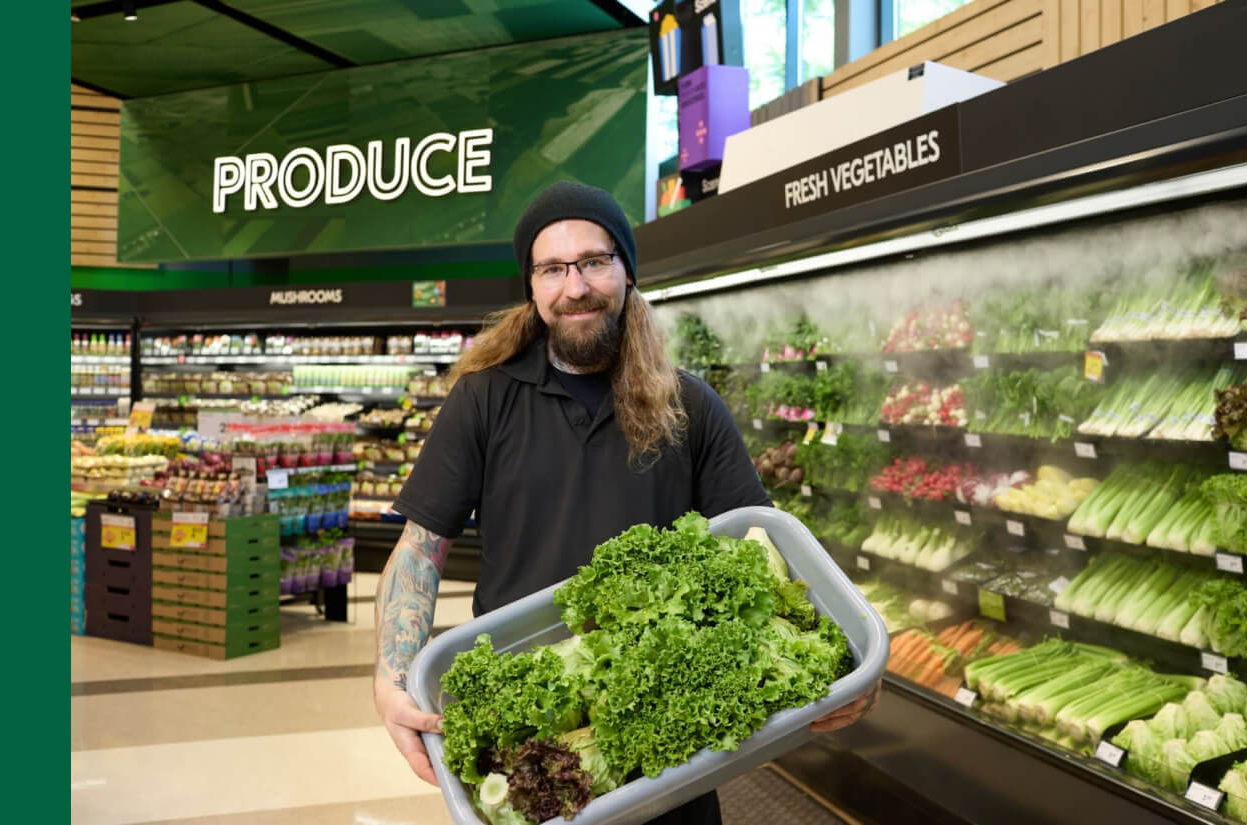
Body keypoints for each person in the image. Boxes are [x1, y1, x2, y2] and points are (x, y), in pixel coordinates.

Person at [372, 181, 880, 825]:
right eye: (552, 268)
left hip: (667, 745)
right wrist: (390, 681)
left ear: (627, 273)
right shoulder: (482, 400)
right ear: (531, 287)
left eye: (593, 261)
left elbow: (767, 550)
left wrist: (853, 663)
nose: (574, 286)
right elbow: (421, 548)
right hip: (532, 730)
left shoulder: (690, 406)